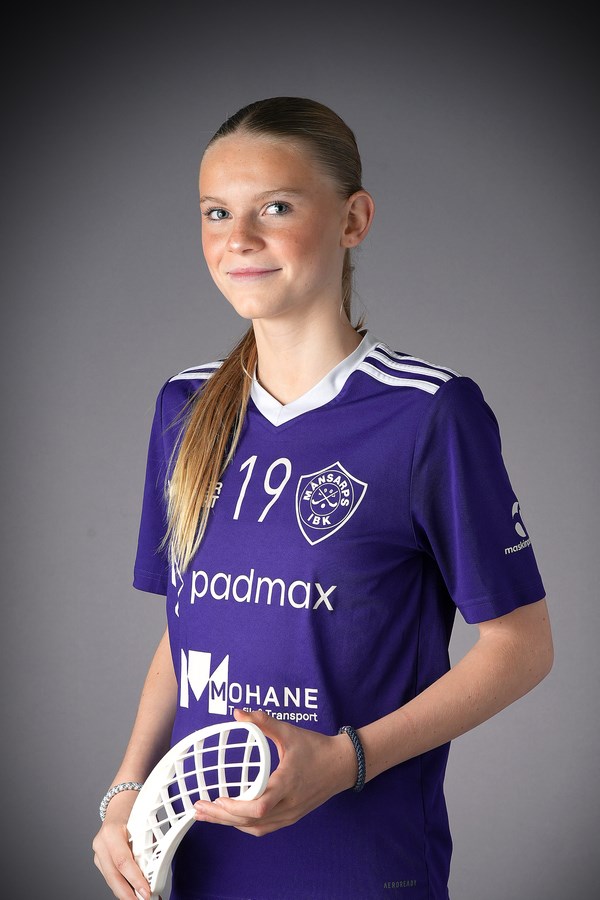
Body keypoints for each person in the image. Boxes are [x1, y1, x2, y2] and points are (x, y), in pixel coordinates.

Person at [92, 96, 553, 900]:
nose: (238, 238)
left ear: (353, 219)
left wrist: (345, 761)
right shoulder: (184, 408)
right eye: (216, 212)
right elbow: (187, 629)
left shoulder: (428, 414)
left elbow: (522, 647)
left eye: (275, 207)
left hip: (361, 869)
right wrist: (127, 790)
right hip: (198, 867)